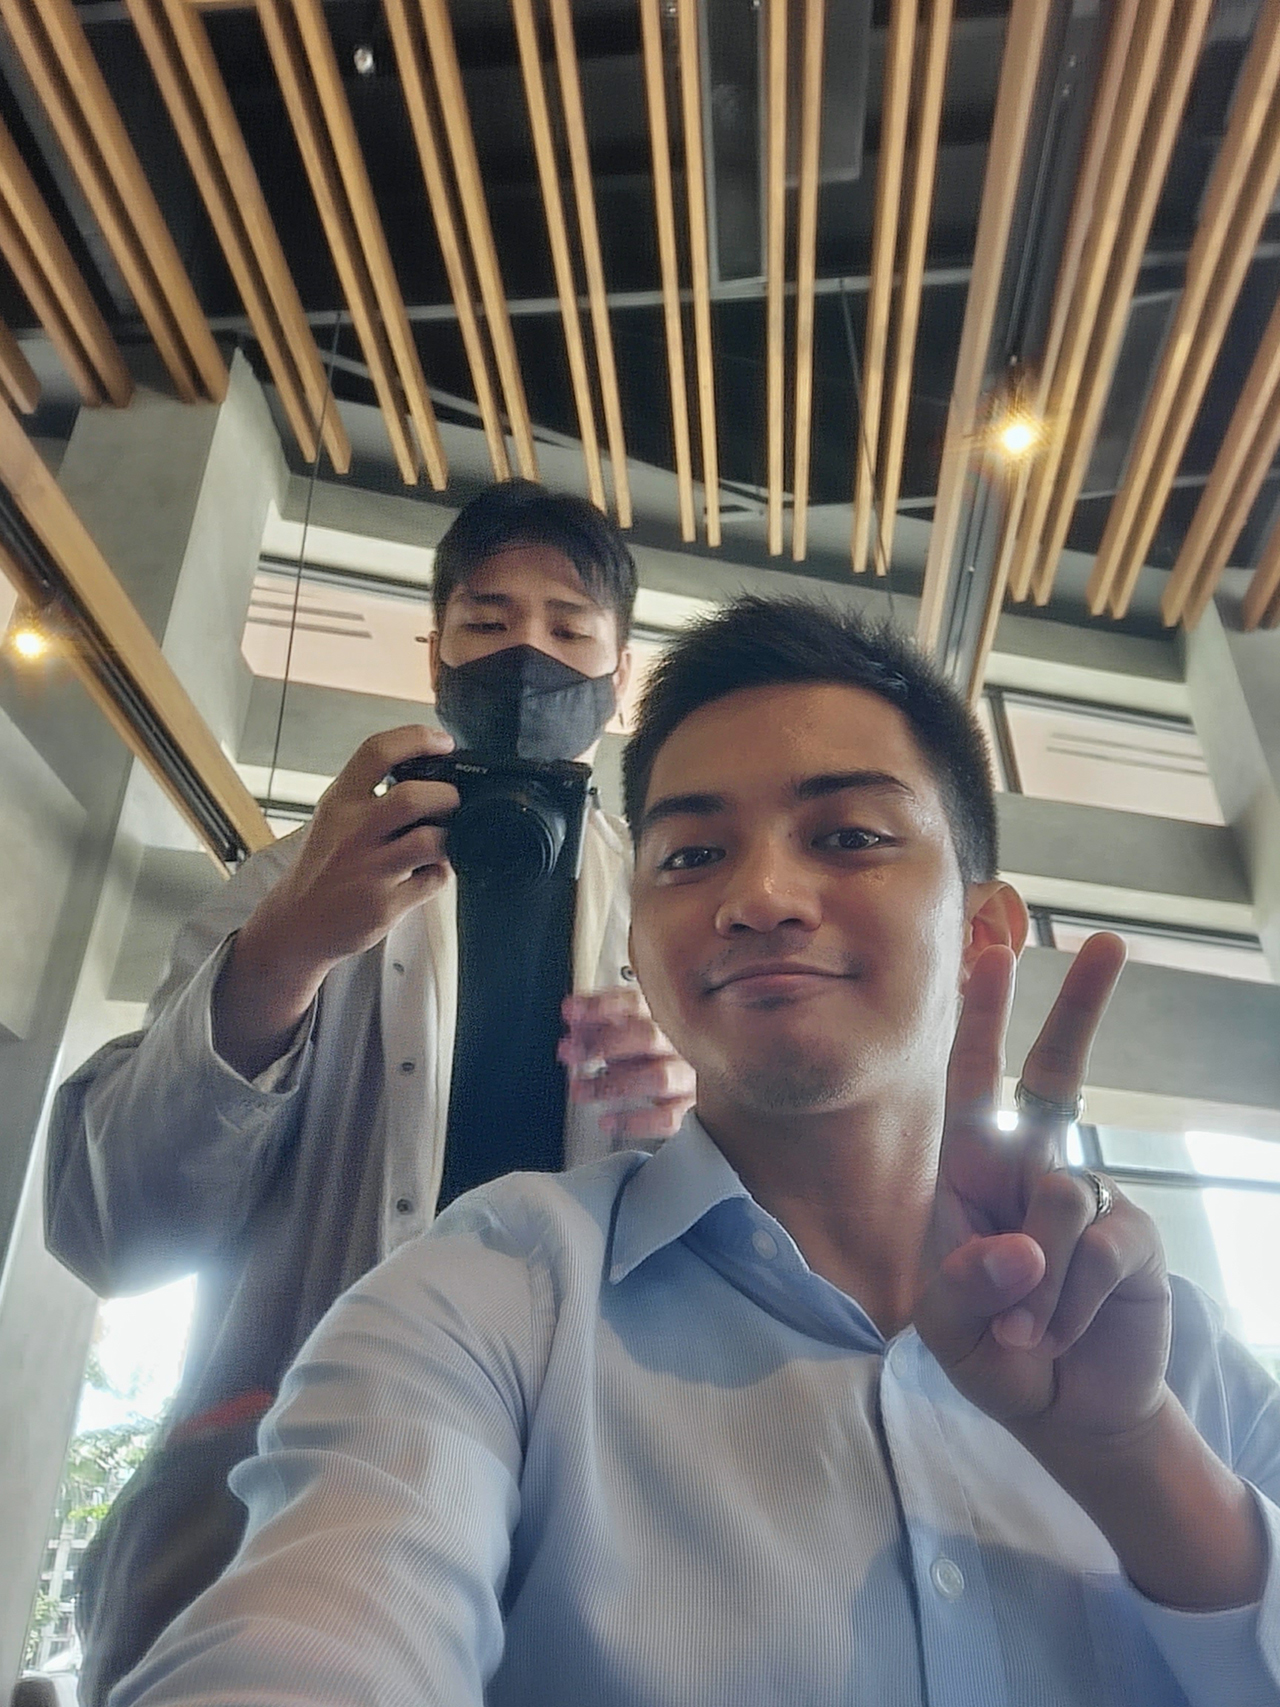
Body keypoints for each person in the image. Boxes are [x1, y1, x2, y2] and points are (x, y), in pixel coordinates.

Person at [107, 597, 1280, 1707]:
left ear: (983, 930)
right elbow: (321, 1613)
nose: (758, 896)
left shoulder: (1170, 1355)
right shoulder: (489, 1297)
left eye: (847, 836)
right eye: (690, 856)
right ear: (638, 939)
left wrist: (1136, 1459)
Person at [44, 480, 694, 1707]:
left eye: (567, 628)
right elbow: (112, 1225)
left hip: (594, 1505)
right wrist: (286, 950)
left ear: (619, 682)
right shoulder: (295, 876)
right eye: (487, 621)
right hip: (289, 1493)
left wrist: (695, 1127)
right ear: (435, 652)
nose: (525, 656)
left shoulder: (677, 907)